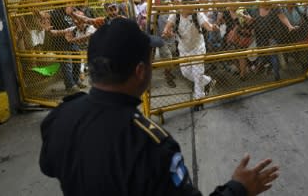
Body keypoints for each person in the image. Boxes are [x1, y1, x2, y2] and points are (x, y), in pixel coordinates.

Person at [39, 18, 279, 196]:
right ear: (140, 72)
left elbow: (48, 166)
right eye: (151, 60)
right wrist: (239, 188)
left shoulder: (60, 116)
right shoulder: (149, 144)